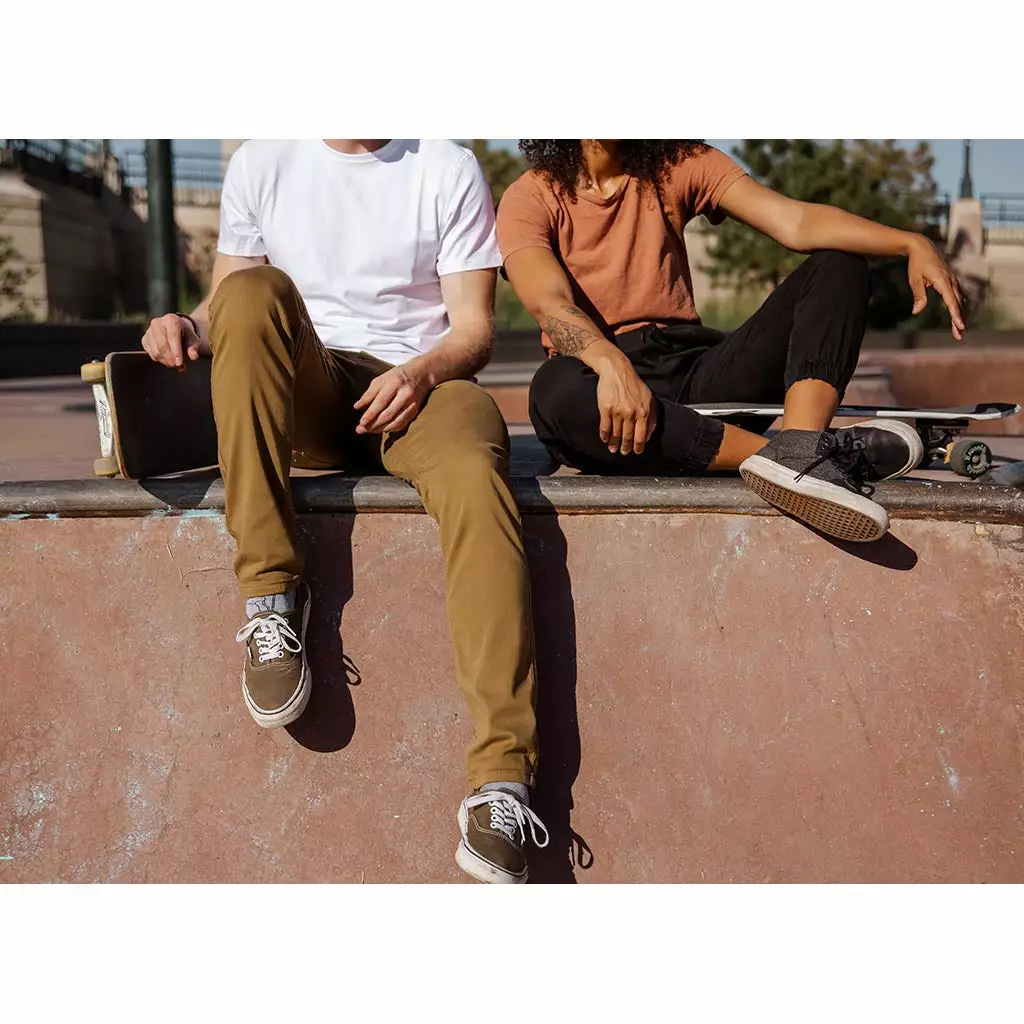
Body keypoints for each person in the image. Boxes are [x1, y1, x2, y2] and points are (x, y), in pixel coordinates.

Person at [141, 139, 547, 884]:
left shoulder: (445, 166)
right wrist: (187, 328)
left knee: (475, 473)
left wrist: (421, 373)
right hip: (312, 388)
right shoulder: (264, 161)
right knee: (250, 293)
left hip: (420, 390)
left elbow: (473, 330)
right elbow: (229, 302)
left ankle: (503, 781)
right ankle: (271, 600)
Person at [498, 140, 967, 542]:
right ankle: (804, 457)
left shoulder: (676, 163)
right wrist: (611, 364)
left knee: (840, 265)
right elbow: (549, 302)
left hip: (695, 374)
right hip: (599, 389)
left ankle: (800, 447)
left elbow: (795, 221)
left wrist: (911, 242)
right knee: (553, 391)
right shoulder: (530, 196)